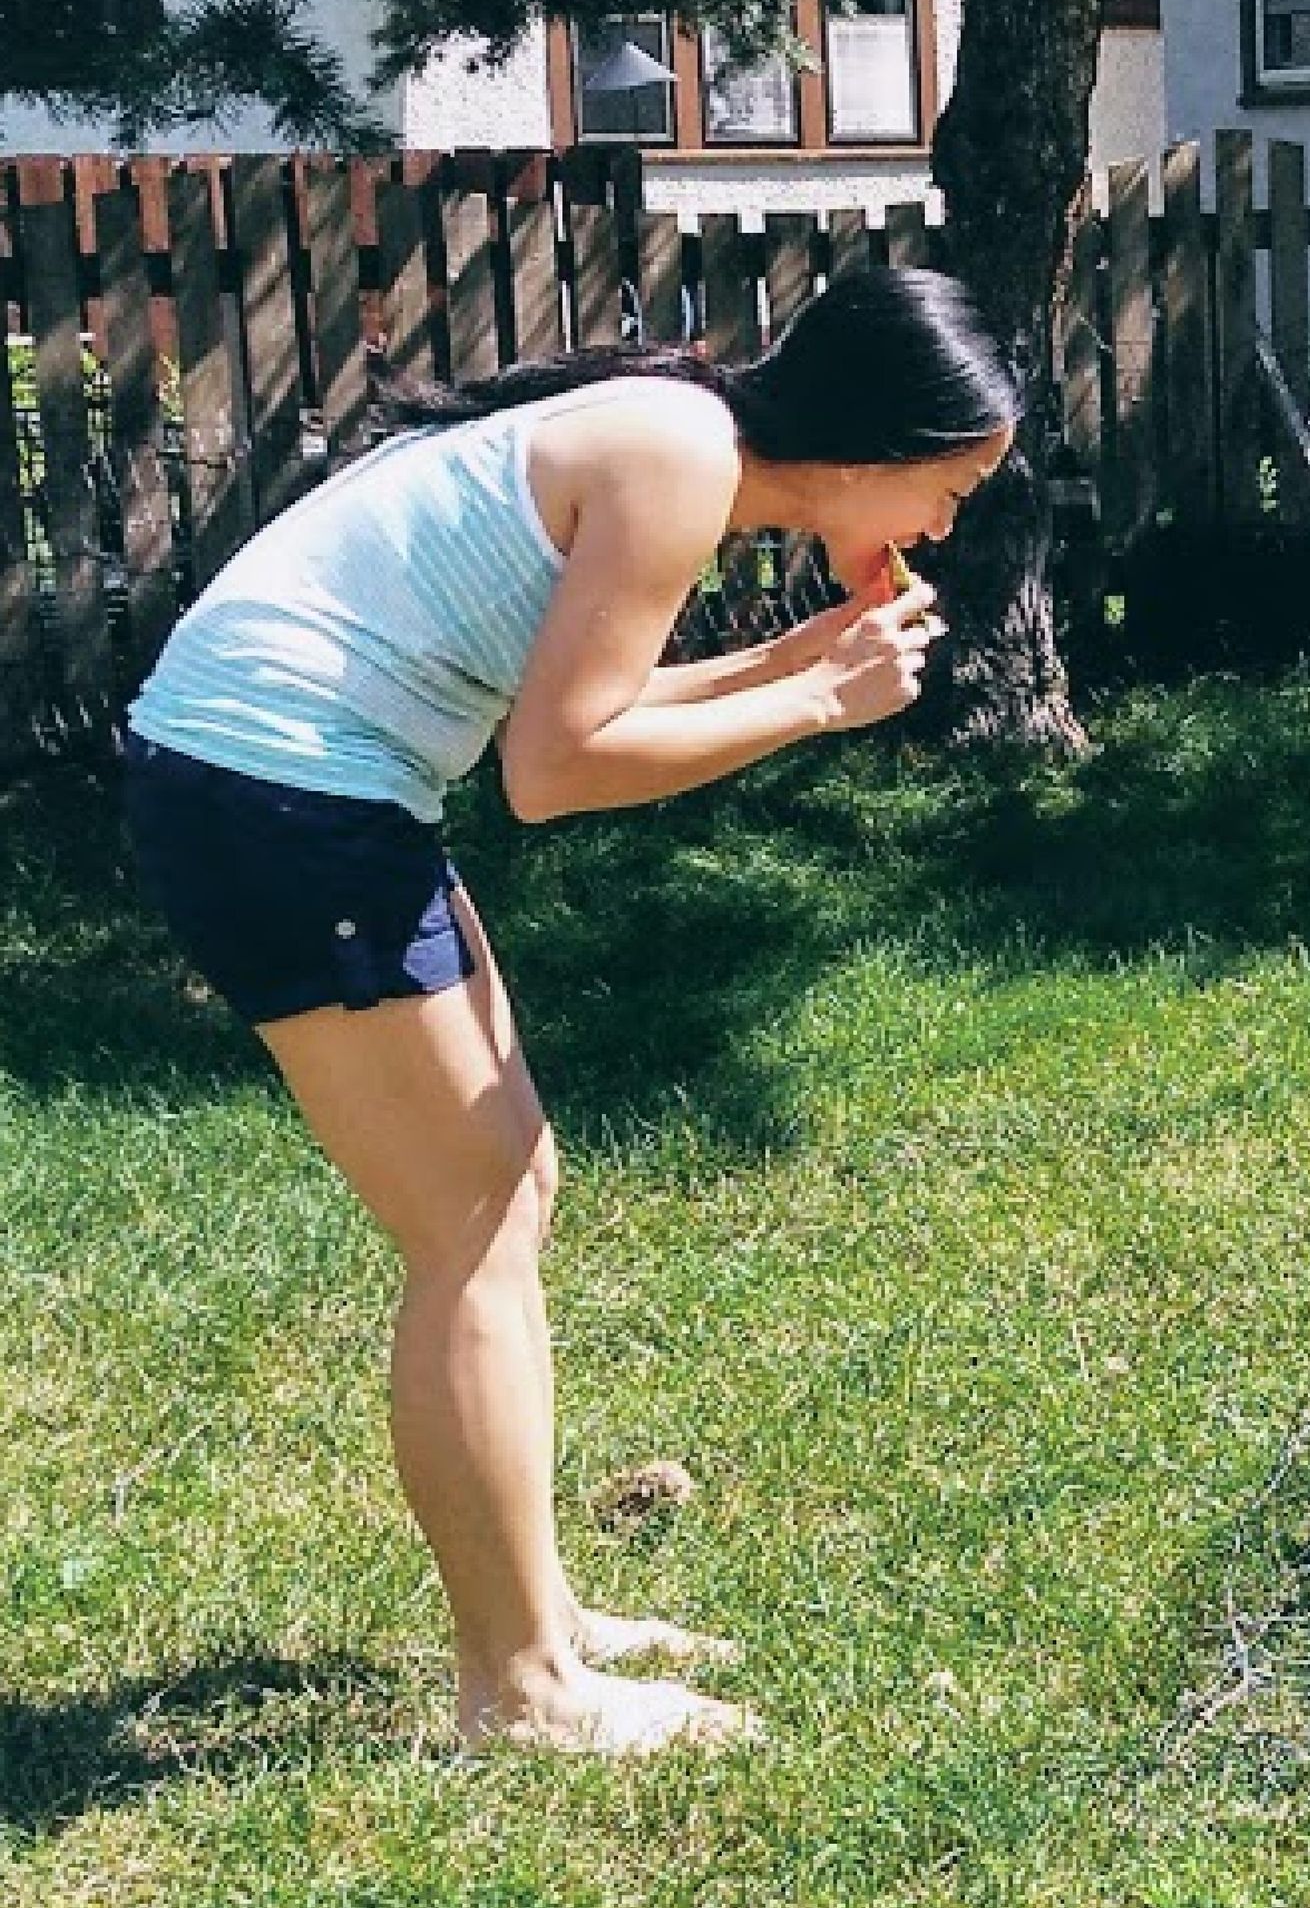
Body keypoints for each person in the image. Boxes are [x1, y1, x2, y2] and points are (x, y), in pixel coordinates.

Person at [120, 265, 1022, 1756]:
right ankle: (523, 1691)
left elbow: (583, 702)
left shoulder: (681, 436)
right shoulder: (677, 459)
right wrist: (818, 704)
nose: (942, 528)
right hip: (278, 798)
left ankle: (535, 1612)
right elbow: (556, 770)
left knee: (509, 1187)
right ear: (871, 449)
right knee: (466, 1228)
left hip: (296, 789)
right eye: (948, 488)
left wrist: (792, 661)